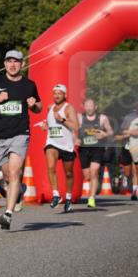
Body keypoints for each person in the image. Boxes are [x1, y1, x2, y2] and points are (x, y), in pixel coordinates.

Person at [0, 49, 41, 231]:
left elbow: (39, 107)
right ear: (4, 63)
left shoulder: (29, 85)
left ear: (22, 64)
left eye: (17, 62)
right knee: (6, 175)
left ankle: (8, 214)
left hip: (20, 133)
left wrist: (34, 105)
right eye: (9, 61)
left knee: (14, 172)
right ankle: (18, 192)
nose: (13, 65)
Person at [41, 84, 79, 212]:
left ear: (65, 95)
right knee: (51, 167)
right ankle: (56, 195)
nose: (56, 95)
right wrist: (45, 126)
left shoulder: (69, 108)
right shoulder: (49, 108)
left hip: (66, 145)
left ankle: (68, 197)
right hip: (52, 142)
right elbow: (50, 123)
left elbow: (75, 126)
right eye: (55, 93)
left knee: (69, 174)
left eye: (59, 93)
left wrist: (62, 119)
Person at [77, 98, 115, 209]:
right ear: (84, 107)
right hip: (83, 149)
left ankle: (91, 198)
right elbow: (71, 129)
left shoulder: (102, 118)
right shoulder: (80, 118)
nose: (89, 108)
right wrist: (75, 139)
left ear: (95, 107)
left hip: (97, 149)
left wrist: (104, 134)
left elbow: (111, 132)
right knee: (87, 175)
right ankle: (93, 187)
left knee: (94, 171)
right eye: (87, 105)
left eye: (91, 105)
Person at [115, 102, 138, 201]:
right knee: (128, 171)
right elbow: (122, 131)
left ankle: (134, 192)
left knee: (135, 170)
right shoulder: (129, 118)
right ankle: (124, 177)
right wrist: (129, 133)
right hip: (127, 146)